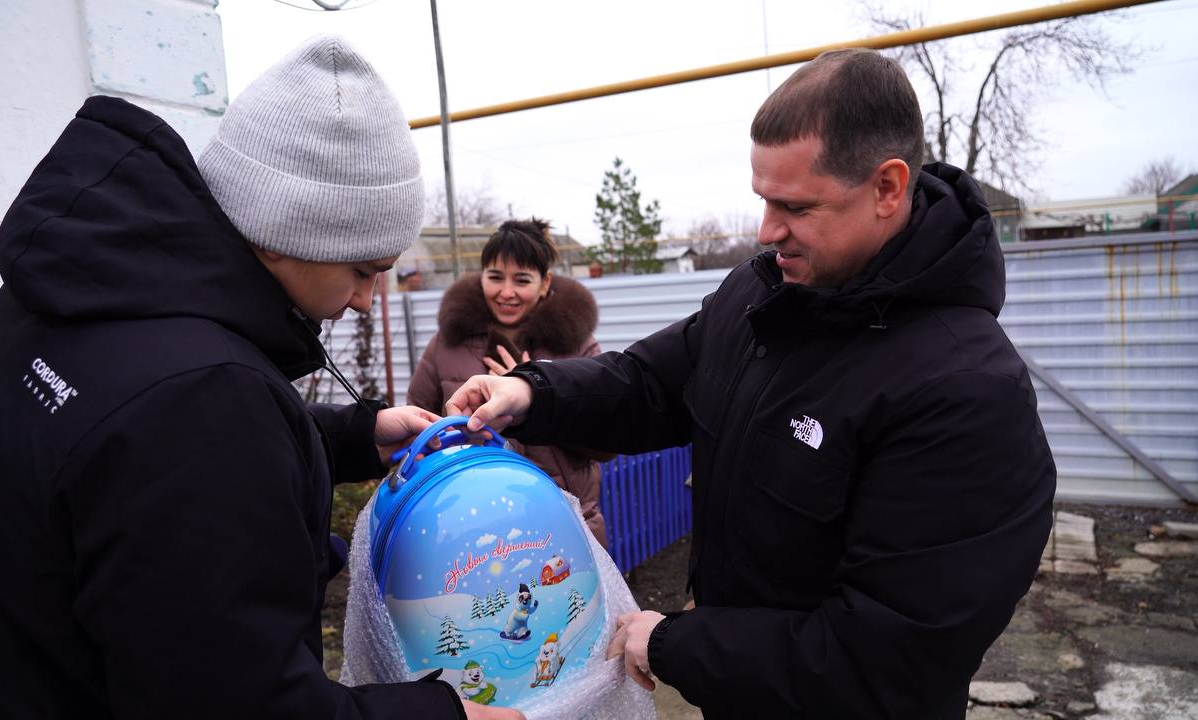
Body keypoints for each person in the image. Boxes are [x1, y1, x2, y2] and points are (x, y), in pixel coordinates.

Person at [446, 48, 1056, 718]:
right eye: (763, 200)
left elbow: (886, 655)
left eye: (794, 205)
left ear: (887, 188)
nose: (768, 232)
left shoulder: (965, 391)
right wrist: (533, 394)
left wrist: (678, 645)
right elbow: (649, 383)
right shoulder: (763, 295)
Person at [0, 37, 521, 720]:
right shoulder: (201, 401)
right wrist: (444, 716)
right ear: (278, 231)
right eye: (361, 269)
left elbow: (131, 451)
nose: (367, 298)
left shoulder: (65, 291)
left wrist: (353, 436)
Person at [406, 219, 610, 547]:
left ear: (545, 284)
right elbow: (419, 425)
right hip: (472, 525)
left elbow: (603, 440)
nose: (506, 292)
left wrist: (535, 393)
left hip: (566, 523)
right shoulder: (446, 343)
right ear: (481, 276)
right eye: (496, 277)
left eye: (522, 280)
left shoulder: (577, 345)